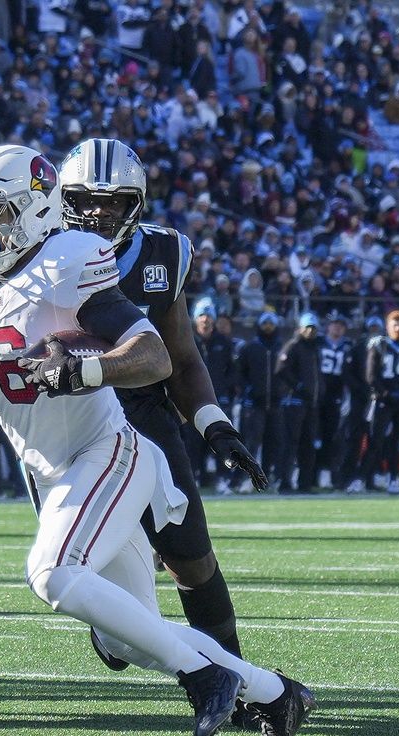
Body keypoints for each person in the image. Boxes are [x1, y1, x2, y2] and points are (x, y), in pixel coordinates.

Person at [0, 144, 312, 736]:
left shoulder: (71, 261)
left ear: (38, 212)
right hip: (53, 470)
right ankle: (277, 694)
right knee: (131, 642)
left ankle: (207, 676)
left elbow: (156, 356)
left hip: (111, 449)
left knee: (53, 573)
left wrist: (81, 372)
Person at [57, 138, 265, 679]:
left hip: (144, 417)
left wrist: (216, 428)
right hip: (68, 427)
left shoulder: (163, 253)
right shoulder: (35, 256)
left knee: (192, 558)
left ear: (138, 204)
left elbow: (182, 358)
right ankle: (126, 628)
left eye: (115, 201)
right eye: (85, 199)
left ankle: (240, 683)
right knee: (94, 595)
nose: (100, 212)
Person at [356, 310, 399, 494]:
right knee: (374, 440)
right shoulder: (379, 345)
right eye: (394, 324)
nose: (398, 327)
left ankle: (394, 479)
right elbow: (370, 375)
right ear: (388, 326)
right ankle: (361, 478)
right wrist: (385, 392)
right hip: (383, 400)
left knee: (397, 442)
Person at [187, 298, 238, 493]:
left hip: (218, 401)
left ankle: (223, 480)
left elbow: (234, 370)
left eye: (209, 315)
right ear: (195, 319)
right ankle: (194, 479)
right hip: (192, 401)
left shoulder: (224, 342)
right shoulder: (187, 340)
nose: (205, 319)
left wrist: (227, 389)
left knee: (222, 442)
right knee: (193, 443)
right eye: (201, 315)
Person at [237, 312, 287, 492]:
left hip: (275, 403)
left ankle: (268, 478)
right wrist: (247, 390)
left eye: (271, 324)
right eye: (264, 324)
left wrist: (283, 390)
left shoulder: (282, 347)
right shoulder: (250, 348)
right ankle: (247, 478)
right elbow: (239, 373)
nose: (268, 327)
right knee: (252, 442)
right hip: (255, 403)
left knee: (274, 442)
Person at [276, 312, 321, 494]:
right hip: (294, 402)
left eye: (313, 328)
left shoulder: (313, 348)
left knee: (307, 444)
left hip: (310, 402)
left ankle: (305, 483)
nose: (310, 331)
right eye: (307, 327)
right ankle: (284, 482)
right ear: (300, 329)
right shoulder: (293, 346)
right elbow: (281, 370)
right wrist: (298, 386)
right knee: (290, 443)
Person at [316, 311, 359, 491]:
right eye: (334, 324)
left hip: (338, 394)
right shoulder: (317, 342)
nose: (337, 327)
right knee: (314, 434)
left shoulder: (349, 346)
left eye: (341, 325)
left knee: (334, 435)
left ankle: (327, 471)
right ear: (328, 326)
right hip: (318, 392)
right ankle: (310, 473)